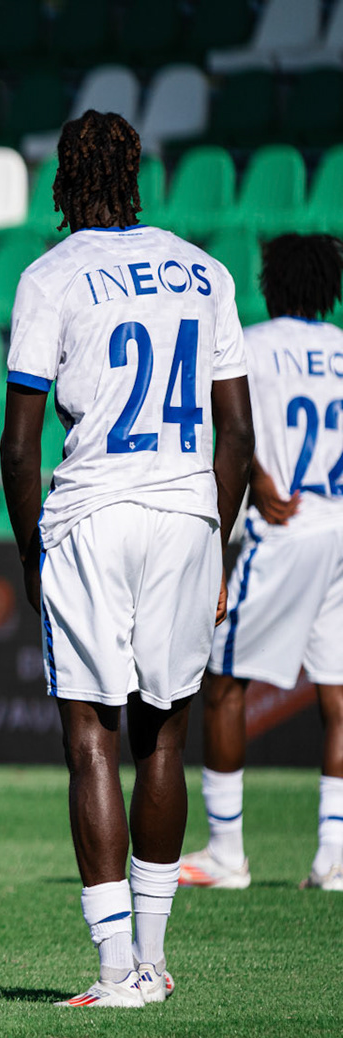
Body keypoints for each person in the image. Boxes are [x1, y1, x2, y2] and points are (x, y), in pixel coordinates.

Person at [0, 111, 255, 1007]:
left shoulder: (51, 275)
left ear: (64, 181)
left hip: (95, 510)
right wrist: (215, 545)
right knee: (164, 738)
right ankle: (153, 959)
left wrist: (35, 554)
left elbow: (20, 445)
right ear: (137, 174)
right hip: (189, 512)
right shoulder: (205, 271)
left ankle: (112, 972)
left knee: (91, 740)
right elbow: (238, 434)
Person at [181, 234, 343, 893]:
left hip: (285, 525)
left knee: (223, 681)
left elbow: (231, 430)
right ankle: (333, 856)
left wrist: (258, 478)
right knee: (338, 697)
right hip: (339, 526)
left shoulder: (253, 342)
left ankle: (226, 853)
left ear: (273, 283)